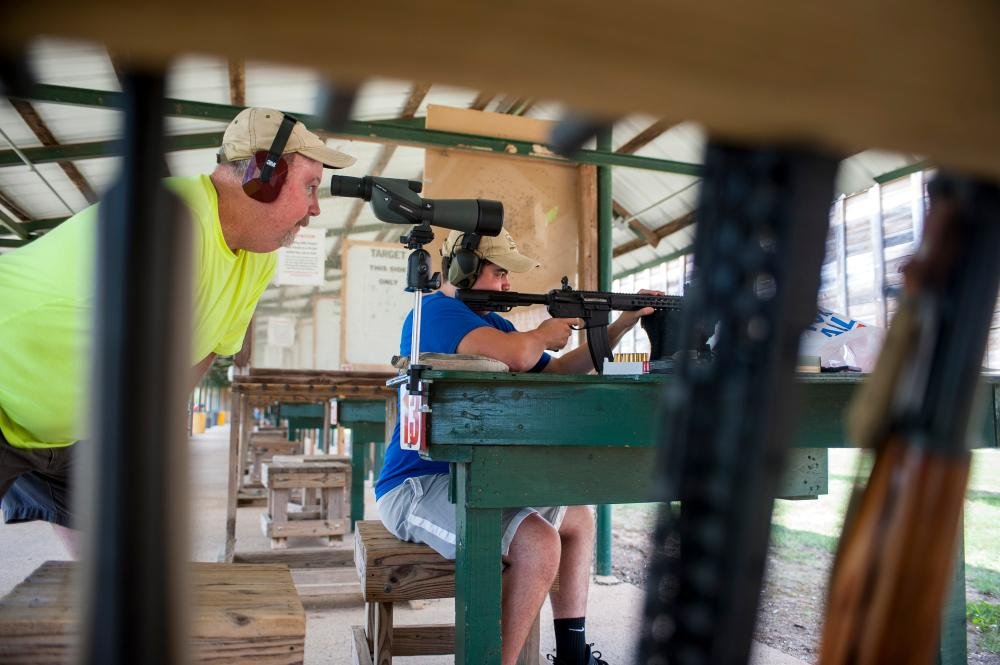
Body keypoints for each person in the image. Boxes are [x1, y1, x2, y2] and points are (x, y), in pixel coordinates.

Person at [0, 107, 355, 554]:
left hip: (72, 425)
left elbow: (204, 351)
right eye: (309, 187)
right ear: (262, 176)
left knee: (121, 568)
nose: (315, 208)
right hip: (5, 381)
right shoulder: (170, 222)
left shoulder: (257, 257)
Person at [375, 228, 659, 665]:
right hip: (415, 485)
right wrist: (545, 332)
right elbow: (522, 355)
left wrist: (620, 323)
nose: (507, 284)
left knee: (578, 518)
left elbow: (562, 370)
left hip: (476, 478)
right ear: (464, 269)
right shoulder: (433, 313)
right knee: (539, 544)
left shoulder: (495, 323)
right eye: (499, 272)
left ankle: (572, 654)